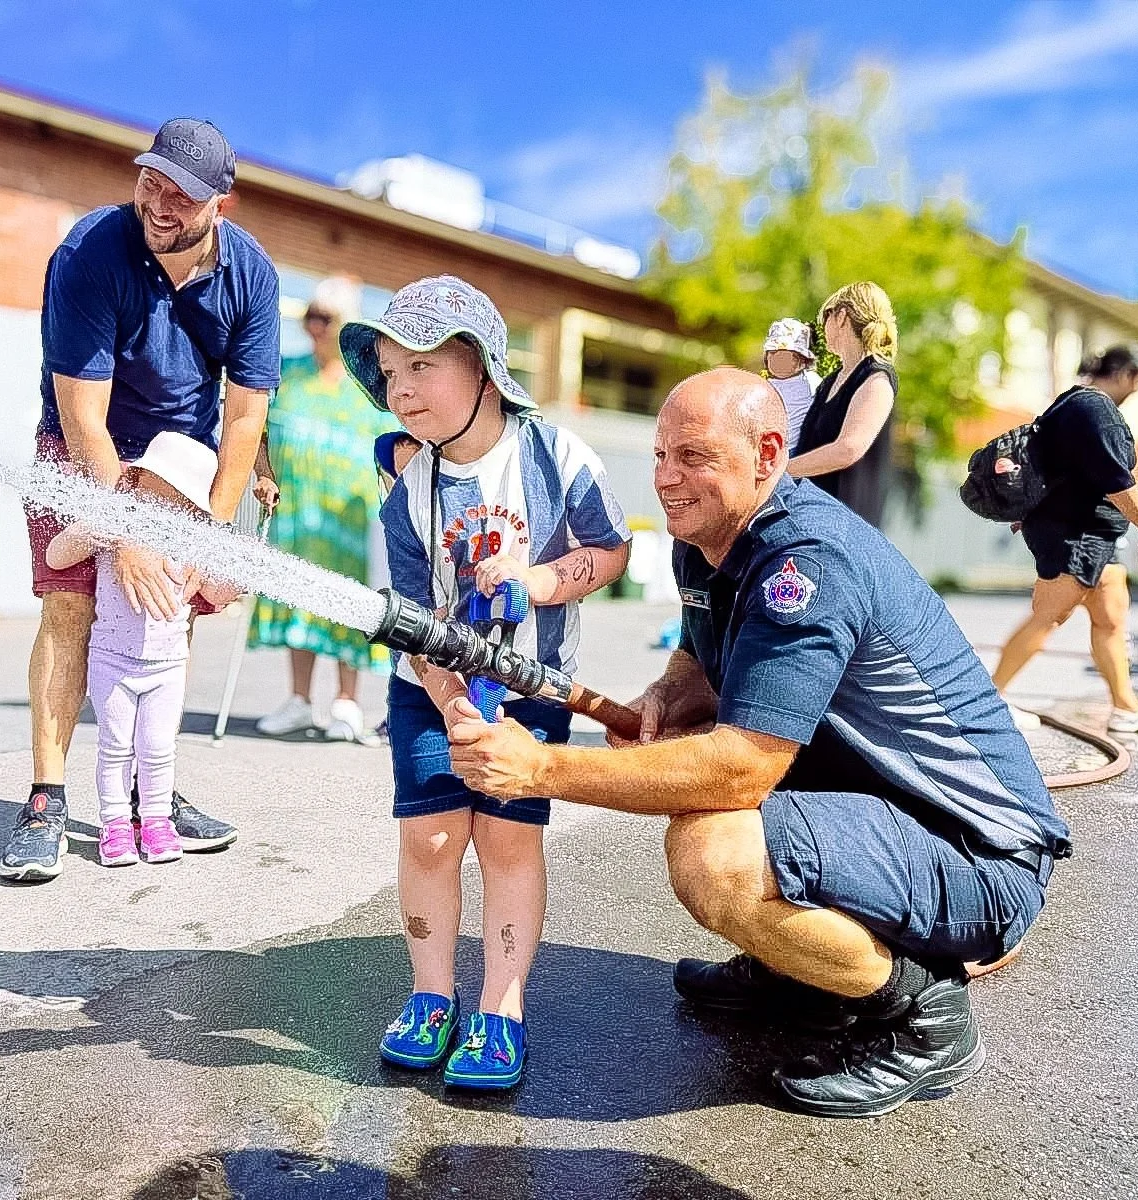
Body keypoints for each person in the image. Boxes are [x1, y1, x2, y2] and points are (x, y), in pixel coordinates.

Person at [447, 367, 1069, 1119]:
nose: (668, 479)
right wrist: (672, 691)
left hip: (976, 854)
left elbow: (742, 769)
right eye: (660, 456)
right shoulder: (706, 539)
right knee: (711, 823)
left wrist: (542, 767)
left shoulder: (806, 563)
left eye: (695, 457)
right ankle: (803, 974)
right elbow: (703, 645)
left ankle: (925, 1016)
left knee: (716, 854)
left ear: (768, 454)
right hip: (881, 819)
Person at [338, 275, 631, 1090]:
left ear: (480, 365)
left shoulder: (557, 455)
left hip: (533, 685)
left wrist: (538, 582)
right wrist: (448, 699)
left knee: (507, 840)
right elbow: (406, 616)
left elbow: (611, 552)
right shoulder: (409, 494)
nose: (400, 389)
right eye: (390, 374)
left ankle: (501, 1008)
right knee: (431, 837)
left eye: (419, 366)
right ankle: (433, 996)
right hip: (428, 685)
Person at [0, 118, 279, 882]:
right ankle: (47, 800)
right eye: (150, 178)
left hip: (180, 461)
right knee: (72, 606)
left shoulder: (251, 275)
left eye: (181, 191)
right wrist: (121, 531)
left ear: (220, 201)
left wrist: (209, 537)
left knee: (165, 609)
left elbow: (246, 414)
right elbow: (85, 416)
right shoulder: (90, 250)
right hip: (81, 443)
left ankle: (146, 790)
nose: (159, 200)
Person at [46, 433, 234, 866]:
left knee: (157, 747)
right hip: (112, 660)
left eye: (181, 498)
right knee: (115, 747)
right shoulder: (115, 532)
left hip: (168, 666)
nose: (169, 504)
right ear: (135, 482)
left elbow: (220, 593)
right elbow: (57, 556)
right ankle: (113, 825)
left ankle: (156, 822)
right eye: (160, 488)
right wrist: (103, 524)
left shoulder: (192, 545)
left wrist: (232, 570)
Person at [992, 345, 1138, 734]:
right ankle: (987, 700)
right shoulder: (1097, 410)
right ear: (1126, 374)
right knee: (1049, 617)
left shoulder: (1071, 403)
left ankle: (1127, 708)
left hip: (1093, 537)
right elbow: (1118, 483)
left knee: (1111, 618)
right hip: (1076, 535)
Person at [250, 277, 402, 743]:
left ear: (347, 325)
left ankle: (347, 703)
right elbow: (254, 428)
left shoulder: (368, 388)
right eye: (310, 316)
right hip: (297, 509)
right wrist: (262, 473)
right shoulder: (285, 371)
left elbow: (396, 446)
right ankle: (298, 700)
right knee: (299, 598)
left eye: (326, 318)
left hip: (350, 517)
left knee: (348, 604)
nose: (315, 326)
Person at [787, 282, 898, 527]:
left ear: (841, 316)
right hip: (808, 519)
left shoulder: (876, 377)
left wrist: (780, 473)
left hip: (843, 529)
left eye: (824, 317)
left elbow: (848, 448)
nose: (822, 327)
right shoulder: (829, 382)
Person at [761, 317, 822, 450]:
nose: (777, 359)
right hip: (770, 447)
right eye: (772, 353)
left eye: (785, 355)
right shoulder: (766, 385)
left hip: (798, 448)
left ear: (802, 361)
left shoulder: (811, 381)